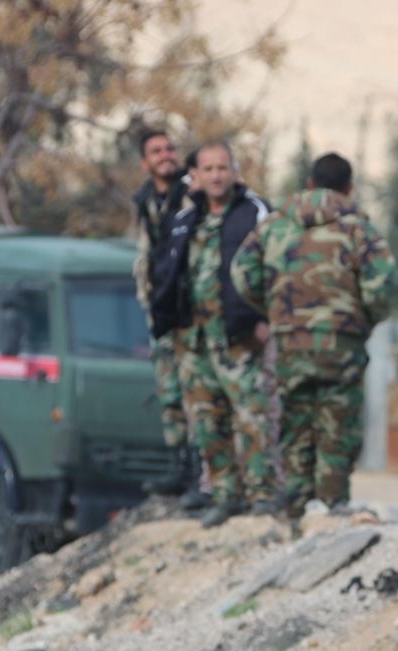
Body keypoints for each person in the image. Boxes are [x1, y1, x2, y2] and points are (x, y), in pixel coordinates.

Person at [231, 152, 398, 519]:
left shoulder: (274, 225)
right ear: (349, 187)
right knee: (338, 421)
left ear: (309, 183)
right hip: (342, 342)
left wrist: (274, 310)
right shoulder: (358, 228)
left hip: (290, 341)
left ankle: (293, 502)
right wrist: (364, 318)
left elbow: (242, 273)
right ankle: (334, 502)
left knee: (293, 419)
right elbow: (383, 286)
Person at [150, 140, 276, 528]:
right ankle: (224, 495)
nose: (217, 175)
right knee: (207, 420)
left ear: (235, 171)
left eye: (223, 168)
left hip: (237, 337)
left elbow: (278, 267)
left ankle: (262, 497)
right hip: (193, 342)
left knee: (251, 417)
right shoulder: (186, 219)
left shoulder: (255, 213)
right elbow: (165, 272)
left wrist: (265, 318)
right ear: (197, 176)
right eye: (209, 169)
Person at [131, 129, 205, 505]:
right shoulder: (145, 201)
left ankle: (200, 477)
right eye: (156, 151)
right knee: (170, 394)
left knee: (196, 395)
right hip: (161, 309)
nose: (166, 155)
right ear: (145, 163)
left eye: (170, 148)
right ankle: (179, 470)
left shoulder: (193, 193)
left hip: (190, 310)